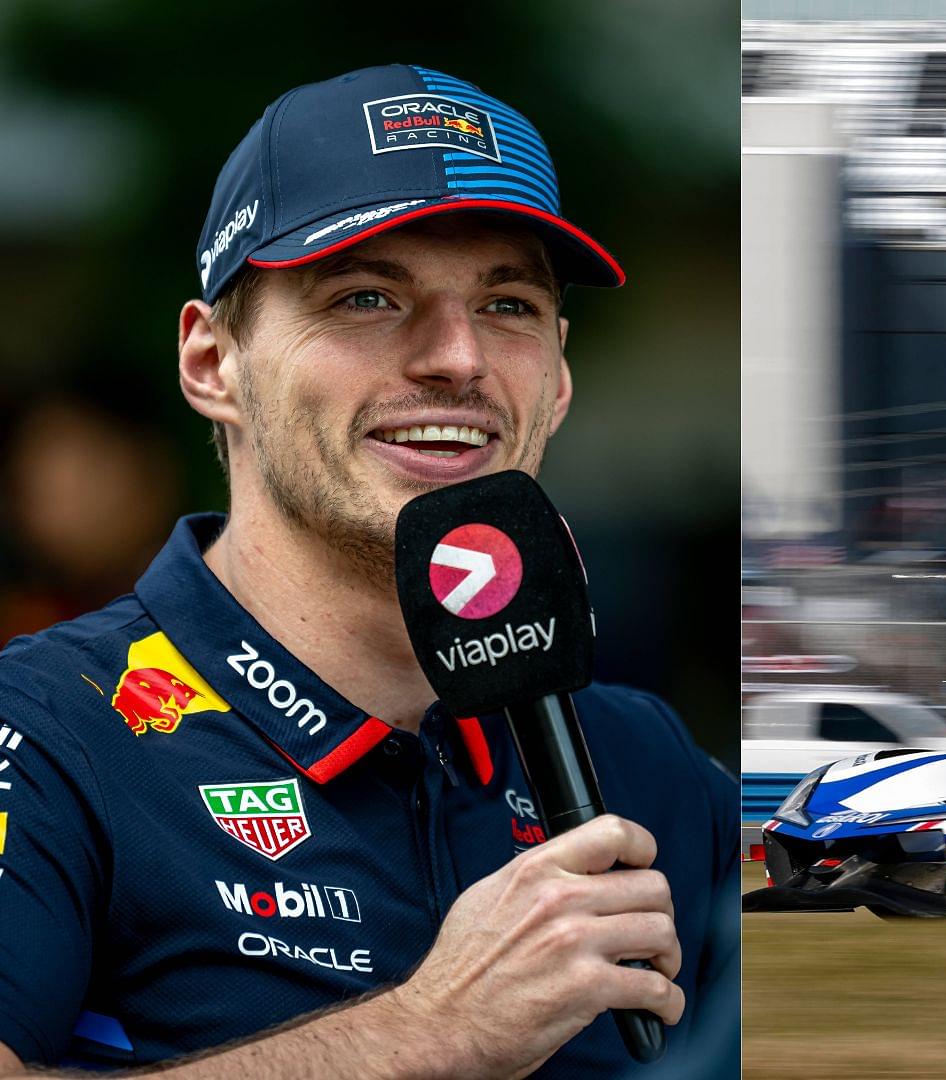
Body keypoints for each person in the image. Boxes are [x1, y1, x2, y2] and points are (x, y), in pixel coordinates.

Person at [0, 65, 738, 1078]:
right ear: (214, 362)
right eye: (365, 295)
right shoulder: (48, 730)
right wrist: (425, 1033)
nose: (457, 358)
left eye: (509, 304)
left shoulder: (646, 761)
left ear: (558, 374)